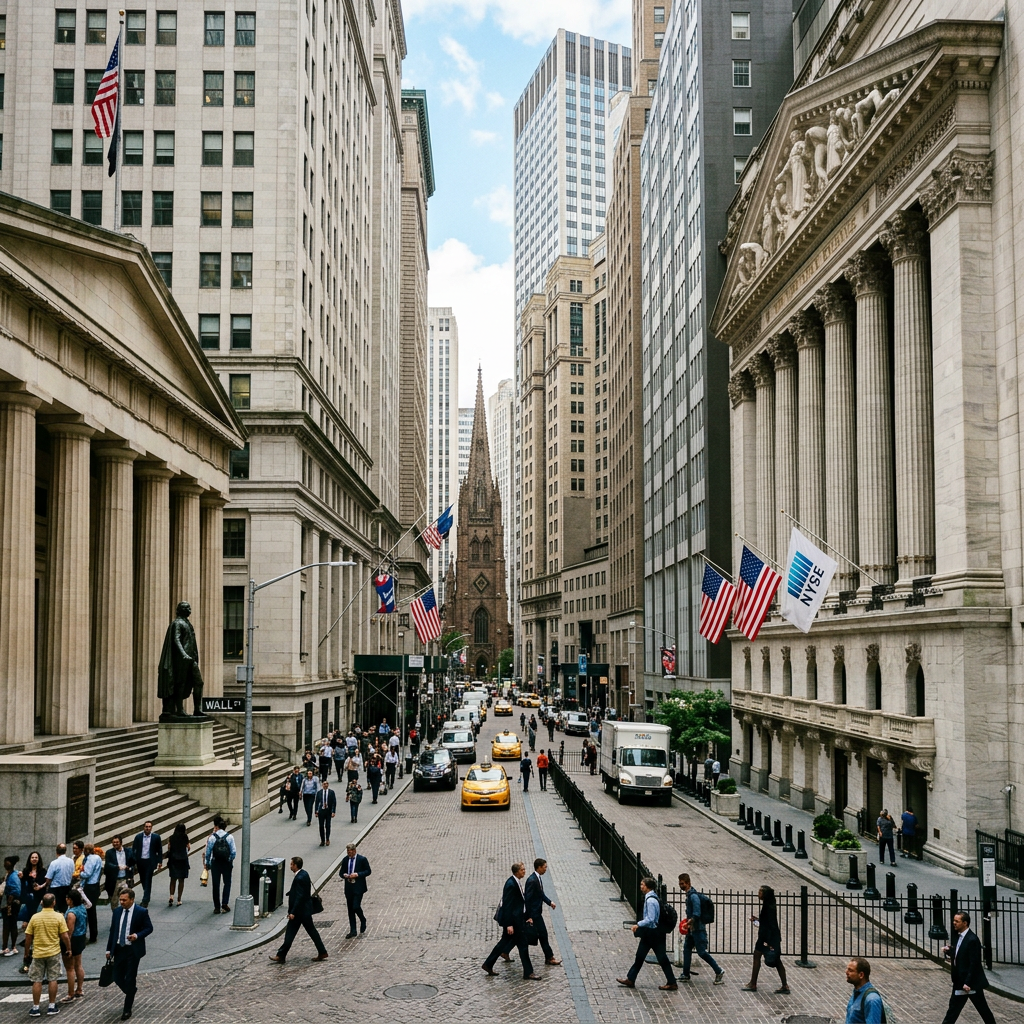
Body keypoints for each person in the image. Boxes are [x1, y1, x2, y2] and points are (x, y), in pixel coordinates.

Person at [482, 862, 541, 980]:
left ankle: (488, 964)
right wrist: (509, 924)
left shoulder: (515, 882)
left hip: (517, 921)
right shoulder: (511, 884)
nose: (524, 871)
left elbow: (519, 904)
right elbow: (507, 905)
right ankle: (528, 973)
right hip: (514, 923)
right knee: (523, 946)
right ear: (517, 871)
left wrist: (526, 916)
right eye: (522, 870)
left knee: (503, 944)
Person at [617, 876, 676, 990]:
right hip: (651, 934)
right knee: (640, 956)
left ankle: (672, 982)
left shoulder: (650, 900)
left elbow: (651, 919)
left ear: (647, 886)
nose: (641, 887)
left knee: (662, 958)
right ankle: (631, 979)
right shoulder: (652, 898)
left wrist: (638, 924)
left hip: (653, 934)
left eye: (642, 885)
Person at [941, 911, 997, 1024]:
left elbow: (974, 963)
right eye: (954, 920)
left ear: (965, 923)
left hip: (970, 983)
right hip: (960, 981)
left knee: (982, 1009)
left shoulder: (972, 940)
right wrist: (950, 951)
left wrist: (968, 983)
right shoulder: (959, 936)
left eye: (957, 921)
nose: (954, 923)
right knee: (953, 1010)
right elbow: (961, 955)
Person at [269, 857, 327, 963]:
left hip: (299, 912)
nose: (290, 866)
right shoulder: (304, 874)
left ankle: (281, 955)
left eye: (291, 864)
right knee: (312, 932)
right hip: (305, 911)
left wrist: (292, 912)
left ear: (295, 865)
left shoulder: (299, 878)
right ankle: (322, 951)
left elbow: (300, 896)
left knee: (290, 934)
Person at [105, 888, 152, 1021]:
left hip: (132, 950)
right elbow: (113, 931)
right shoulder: (117, 912)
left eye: (124, 900)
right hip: (119, 950)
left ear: (132, 899)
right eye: (120, 900)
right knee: (117, 976)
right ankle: (131, 991)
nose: (121, 902)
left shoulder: (141, 912)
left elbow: (149, 928)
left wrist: (137, 935)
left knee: (130, 977)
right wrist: (109, 950)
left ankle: (127, 1009)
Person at [25, 893, 71, 1017]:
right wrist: (68, 948)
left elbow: (28, 937)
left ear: (42, 903)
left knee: (36, 980)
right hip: (53, 952)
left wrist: (26, 953)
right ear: (54, 903)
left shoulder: (35, 917)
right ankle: (51, 1006)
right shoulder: (58, 917)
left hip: (38, 953)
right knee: (53, 979)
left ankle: (35, 1007)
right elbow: (65, 936)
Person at [678, 873, 724, 984]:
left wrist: (688, 922)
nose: (681, 886)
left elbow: (697, 914)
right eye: (680, 883)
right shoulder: (690, 896)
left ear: (688, 883)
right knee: (687, 950)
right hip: (692, 930)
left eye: (682, 883)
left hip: (698, 929)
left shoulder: (693, 897)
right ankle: (685, 973)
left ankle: (719, 970)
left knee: (702, 952)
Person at [742, 885, 789, 994]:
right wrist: (757, 920)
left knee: (765, 958)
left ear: (765, 895)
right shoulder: (769, 905)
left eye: (760, 892)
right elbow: (766, 923)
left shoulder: (769, 908)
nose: (758, 894)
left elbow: (771, 925)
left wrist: (768, 942)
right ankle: (784, 985)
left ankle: (753, 984)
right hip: (768, 937)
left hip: (767, 938)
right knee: (774, 960)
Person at [524, 859, 561, 966]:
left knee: (541, 935)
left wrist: (550, 902)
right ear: (539, 867)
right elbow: (528, 899)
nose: (546, 869)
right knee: (543, 934)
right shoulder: (532, 880)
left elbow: (540, 894)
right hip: (534, 914)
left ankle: (505, 951)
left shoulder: (537, 878)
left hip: (536, 913)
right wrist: (529, 916)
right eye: (545, 867)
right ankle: (549, 957)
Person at [204, 816, 236, 914]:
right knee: (227, 883)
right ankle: (224, 903)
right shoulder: (230, 837)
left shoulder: (212, 837)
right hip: (226, 863)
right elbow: (233, 852)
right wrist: (229, 859)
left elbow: (208, 852)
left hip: (216, 863)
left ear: (216, 826)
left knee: (216, 884)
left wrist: (207, 863)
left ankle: (216, 907)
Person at [340, 843, 371, 937]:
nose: (349, 854)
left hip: (358, 887)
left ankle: (362, 919)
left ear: (354, 851)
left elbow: (368, 871)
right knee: (350, 909)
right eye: (348, 852)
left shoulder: (362, 859)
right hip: (349, 887)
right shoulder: (345, 860)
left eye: (350, 852)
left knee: (356, 906)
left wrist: (357, 874)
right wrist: (345, 875)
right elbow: (341, 872)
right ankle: (353, 930)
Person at [61, 890, 87, 1004]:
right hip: (81, 937)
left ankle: (70, 993)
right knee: (78, 964)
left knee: (70, 968)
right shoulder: (82, 908)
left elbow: (69, 932)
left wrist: (68, 947)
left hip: (73, 940)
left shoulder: (71, 913)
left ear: (70, 900)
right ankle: (79, 989)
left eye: (67, 898)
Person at [130, 823, 163, 908]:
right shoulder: (138, 837)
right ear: (143, 828)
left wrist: (159, 861)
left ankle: (145, 900)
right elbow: (134, 849)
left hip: (150, 861)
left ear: (151, 828)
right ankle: (146, 892)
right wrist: (133, 860)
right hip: (141, 861)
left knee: (148, 879)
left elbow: (159, 849)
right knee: (143, 879)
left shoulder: (156, 837)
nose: (148, 828)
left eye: (149, 827)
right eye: (146, 827)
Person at [845, 957, 885, 1023]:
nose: (846, 972)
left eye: (850, 970)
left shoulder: (871, 999)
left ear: (861, 975)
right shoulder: (857, 992)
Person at [43, 845, 75, 916]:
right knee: (64, 908)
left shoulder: (54, 863)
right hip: (67, 888)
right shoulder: (71, 861)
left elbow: (48, 878)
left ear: (56, 852)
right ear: (65, 851)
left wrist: (46, 886)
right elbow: (72, 873)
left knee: (55, 909)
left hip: (55, 889)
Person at [79, 845, 102, 942]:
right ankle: (93, 935)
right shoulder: (97, 857)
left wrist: (80, 873)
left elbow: (87, 873)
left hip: (89, 886)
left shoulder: (90, 859)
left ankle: (91, 936)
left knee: (89, 911)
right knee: (92, 911)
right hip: (95, 885)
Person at [166, 823, 190, 906]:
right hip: (182, 860)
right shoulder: (185, 837)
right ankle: (179, 899)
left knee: (173, 879)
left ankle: (171, 896)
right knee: (181, 880)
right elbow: (188, 847)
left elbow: (169, 848)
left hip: (173, 860)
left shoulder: (171, 838)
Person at [2, 856, 21, 957]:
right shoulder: (9, 874)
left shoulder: (14, 876)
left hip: (11, 904)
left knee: (12, 925)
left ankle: (13, 947)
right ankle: (4, 947)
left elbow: (15, 891)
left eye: (7, 862)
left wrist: (9, 903)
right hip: (8, 904)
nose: (5, 864)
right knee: (6, 925)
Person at [314, 780, 337, 846]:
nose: (325, 785)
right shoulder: (319, 793)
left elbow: (334, 802)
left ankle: (327, 838)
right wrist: (316, 811)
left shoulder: (331, 792)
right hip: (321, 811)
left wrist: (333, 811)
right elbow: (317, 802)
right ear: (322, 785)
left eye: (327, 784)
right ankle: (322, 840)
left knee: (327, 825)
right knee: (321, 826)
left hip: (328, 811)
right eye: (324, 784)